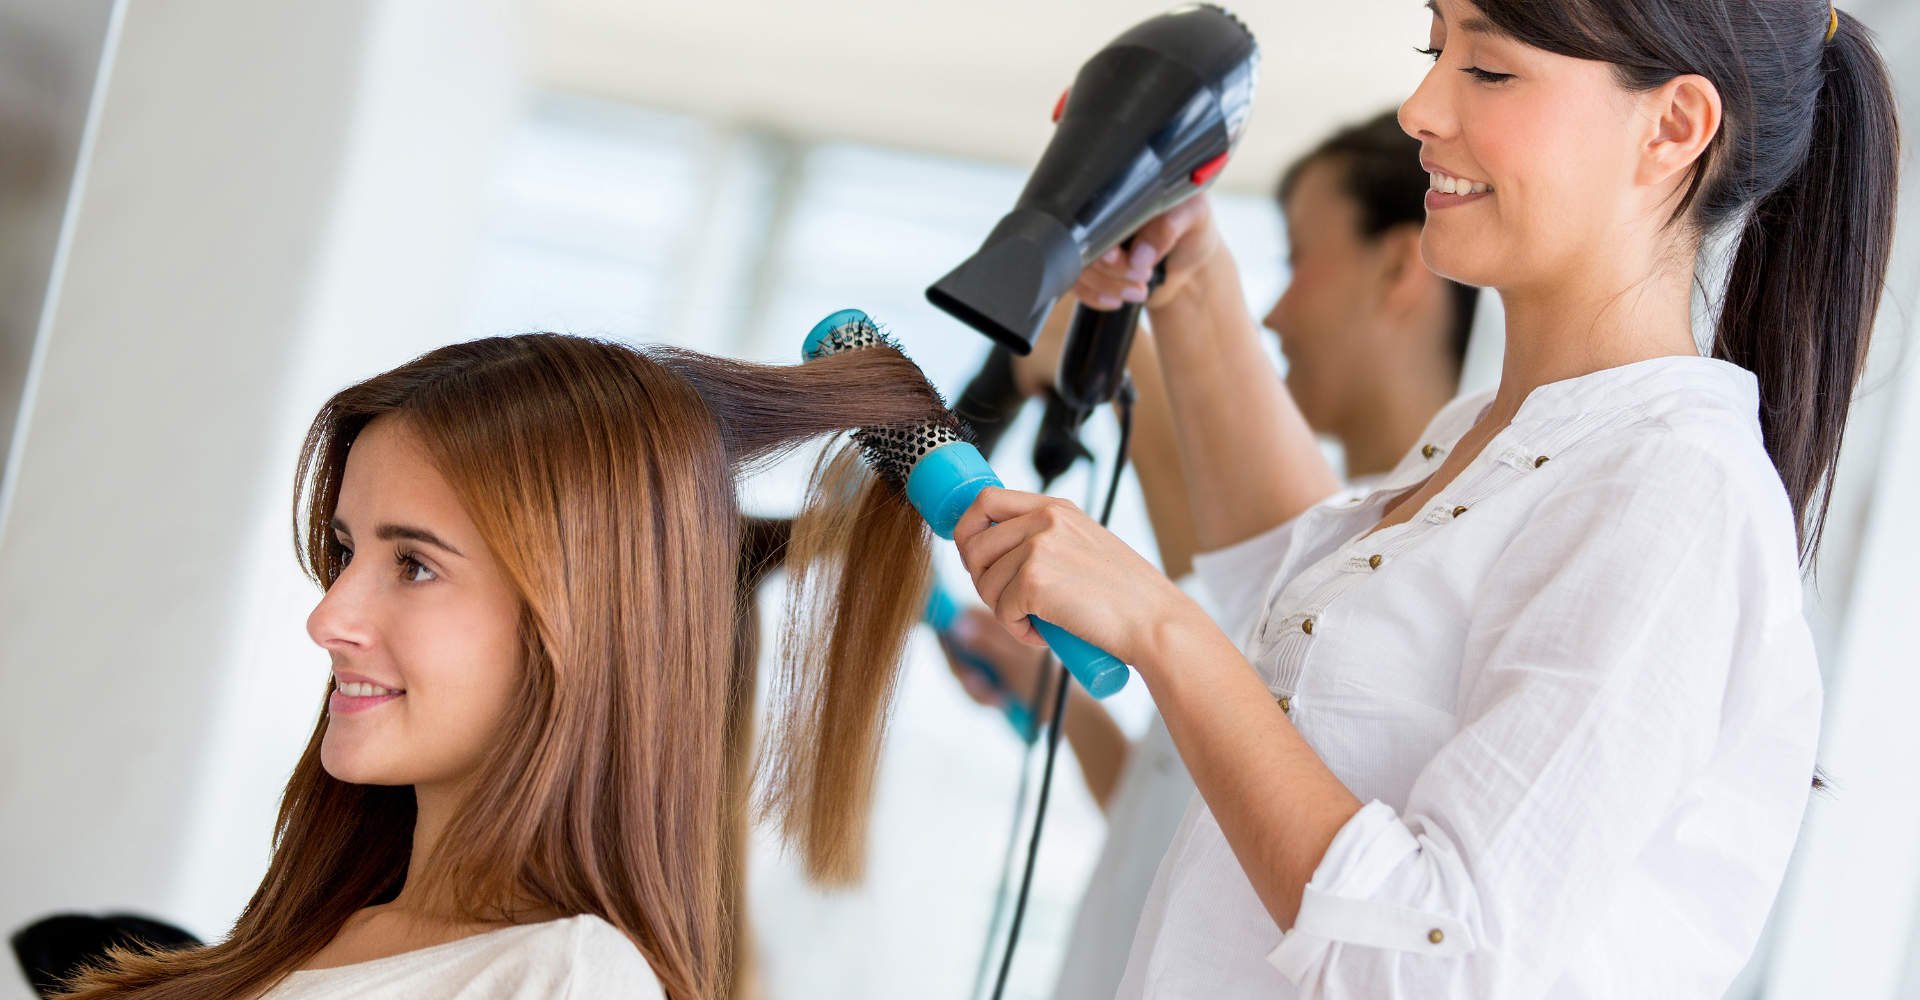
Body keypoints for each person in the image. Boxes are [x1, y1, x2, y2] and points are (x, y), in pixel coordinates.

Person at [951, 1, 1897, 995]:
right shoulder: (1489, 438)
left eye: (1485, 69)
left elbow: (1437, 958)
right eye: (1432, 48)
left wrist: (1156, 623)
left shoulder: (1674, 495)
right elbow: (1301, 647)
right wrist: (1188, 272)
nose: (1419, 107)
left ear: (1671, 127)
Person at [54, 334, 951, 1000]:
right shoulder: (321, 932)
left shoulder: (564, 980)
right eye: (344, 550)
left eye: (414, 564)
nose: (329, 616)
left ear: (581, 623)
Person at [939, 110, 1479, 1000]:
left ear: (1400, 264)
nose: (1273, 311)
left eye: (1298, 258)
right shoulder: (1304, 556)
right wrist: (1067, 707)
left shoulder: (1379, 589)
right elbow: (1191, 844)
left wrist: (1131, 339)